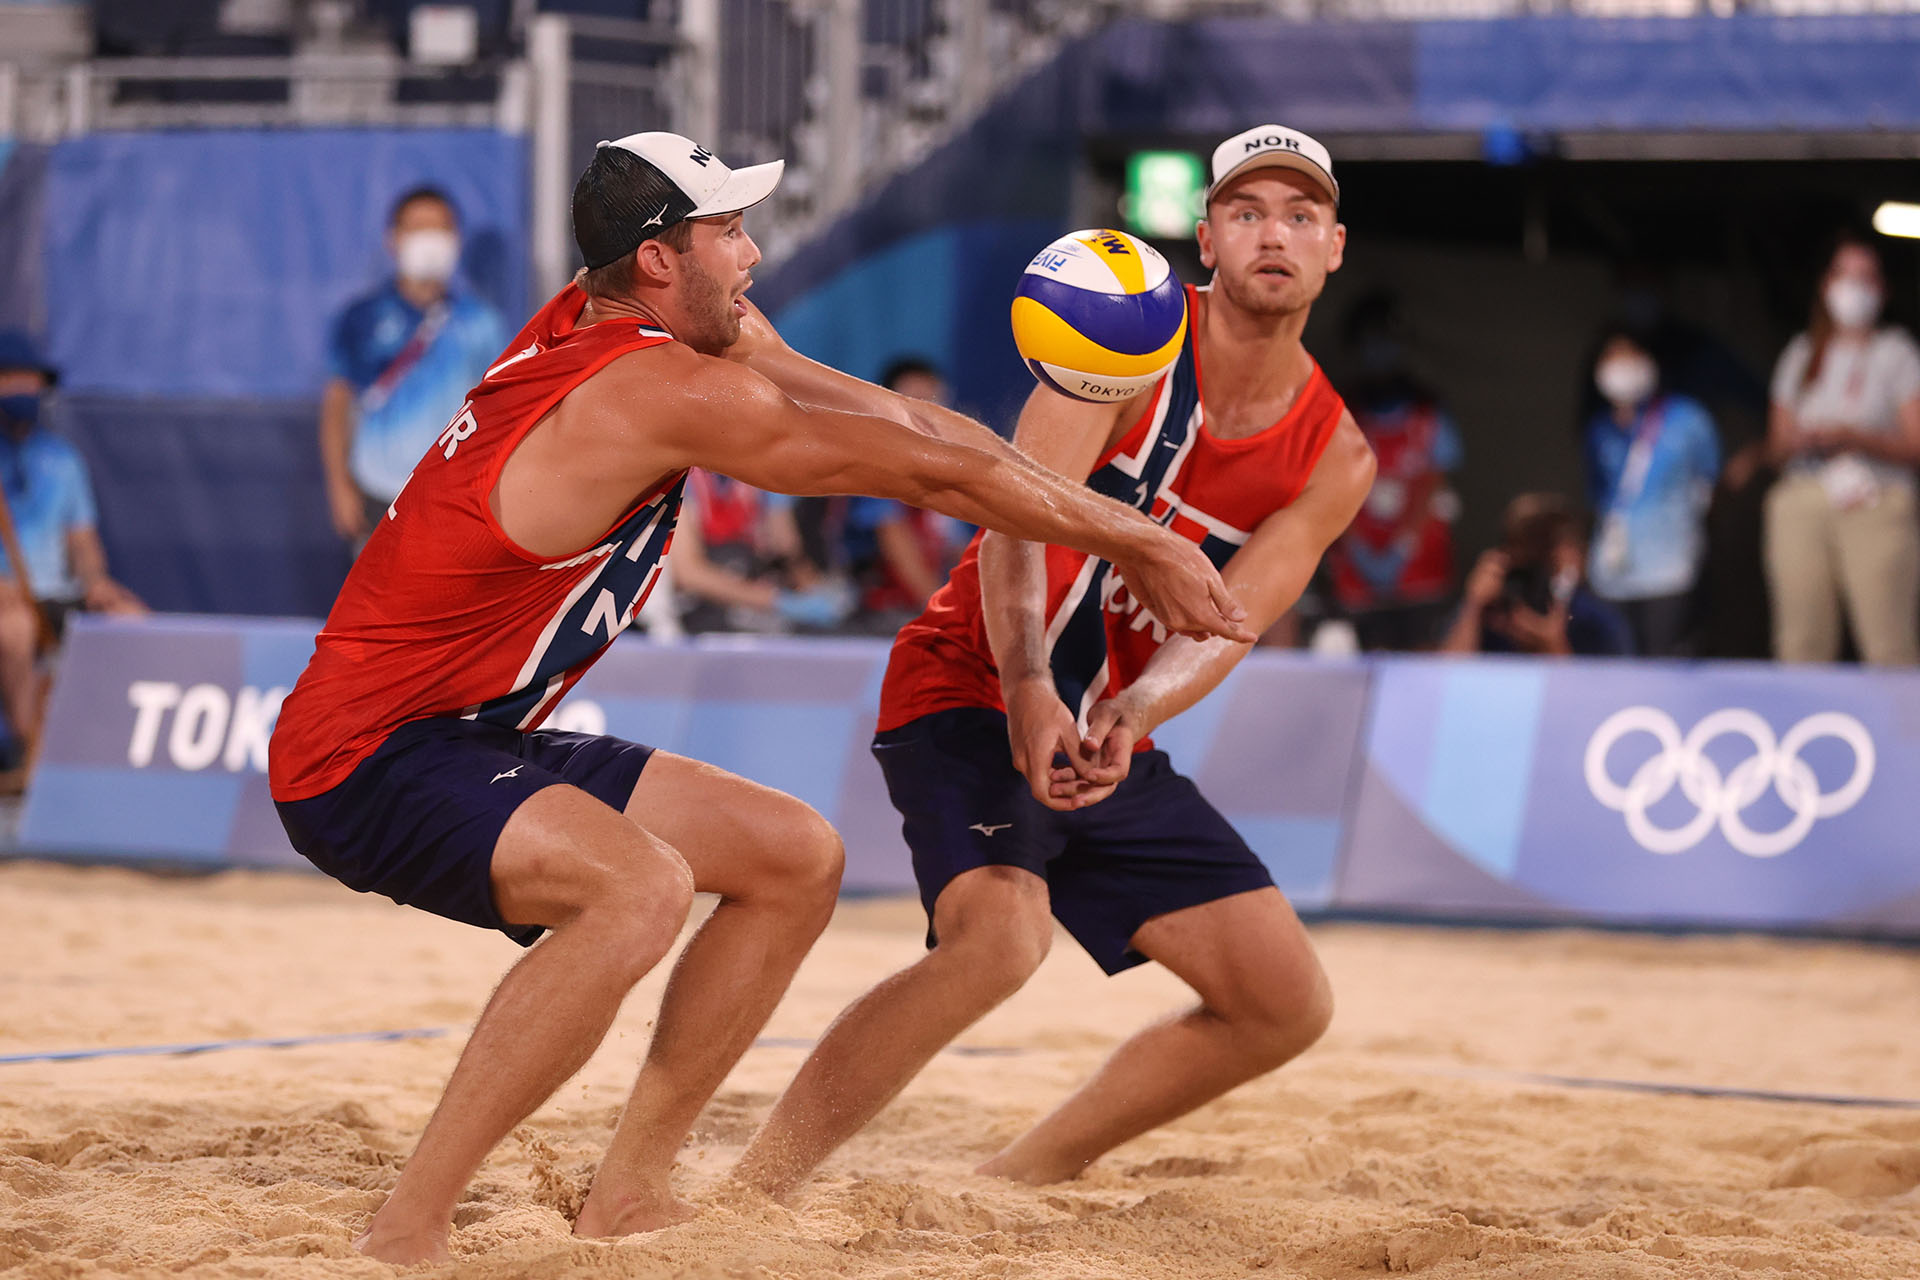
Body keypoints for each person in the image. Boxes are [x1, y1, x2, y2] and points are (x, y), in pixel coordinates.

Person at [265, 131, 1249, 1266]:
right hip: (361, 754)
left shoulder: (622, 319)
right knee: (638, 889)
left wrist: (1110, 523)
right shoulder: (654, 389)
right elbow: (923, 472)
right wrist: (1145, 540)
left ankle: (630, 1192)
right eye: (728, 231)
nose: (755, 253)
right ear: (657, 259)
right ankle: (408, 1227)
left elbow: (913, 428)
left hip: (465, 730)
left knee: (793, 855)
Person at [732, 123, 1375, 1198]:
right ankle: (757, 1189)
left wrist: (1135, 711)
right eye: (1248, 212)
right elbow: (1011, 523)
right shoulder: (1124, 334)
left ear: (1335, 247)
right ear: (1207, 237)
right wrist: (1029, 682)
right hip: (973, 674)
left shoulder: (1336, 454)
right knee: (998, 942)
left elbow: (1230, 620)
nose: (1276, 234)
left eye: (1301, 216)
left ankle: (1019, 1174)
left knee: (1283, 1002)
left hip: (1100, 726)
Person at [319, 185, 509, 547]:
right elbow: (338, 402)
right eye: (419, 228)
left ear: (456, 239)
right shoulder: (361, 318)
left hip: (452, 501)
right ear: (393, 239)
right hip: (376, 494)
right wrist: (339, 484)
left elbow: (499, 412)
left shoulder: (481, 323)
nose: (431, 239)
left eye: (441, 228)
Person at [1764, 232, 1920, 665]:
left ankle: (1901, 713)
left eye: (1865, 277)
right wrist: (1800, 441)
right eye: (1844, 275)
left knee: (1888, 644)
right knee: (1800, 644)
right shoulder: (1801, 352)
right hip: (1805, 494)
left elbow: (1916, 443)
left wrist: (1854, 437)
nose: (1854, 287)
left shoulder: (1897, 353)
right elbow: (1775, 447)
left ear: (1883, 290)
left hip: (1875, 497)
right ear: (1825, 284)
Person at [0, 332, 145, 753]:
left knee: (132, 620)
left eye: (29, 379)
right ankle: (33, 754)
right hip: (8, 603)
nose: (22, 388)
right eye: (10, 378)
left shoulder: (62, 460)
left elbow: (82, 542)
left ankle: (117, 750)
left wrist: (96, 581)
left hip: (53, 596)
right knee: (15, 629)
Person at [1325, 291, 1463, 650]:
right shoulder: (1340, 409)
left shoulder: (1428, 412)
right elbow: (1326, 486)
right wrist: (1358, 549)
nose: (1378, 352)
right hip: (1356, 574)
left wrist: (1401, 547)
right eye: (1369, 342)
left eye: (1385, 340)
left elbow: (1435, 481)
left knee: (1422, 664)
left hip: (1420, 574)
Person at [1581, 328, 1721, 657]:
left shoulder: (1687, 418)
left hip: (1670, 569)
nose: (1621, 365)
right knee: (1616, 662)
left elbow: (1710, 482)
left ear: (1648, 361)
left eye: (1629, 355)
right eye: (1612, 357)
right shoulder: (1598, 429)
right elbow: (1597, 496)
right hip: (1613, 570)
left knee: (1664, 661)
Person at [836, 357, 970, 629]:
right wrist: (948, 617)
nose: (926, 420)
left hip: (918, 610)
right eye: (915, 406)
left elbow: (960, 552)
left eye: (934, 406)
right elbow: (897, 544)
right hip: (870, 617)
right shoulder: (873, 469)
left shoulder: (942, 475)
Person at [1439, 493, 1633, 658]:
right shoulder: (1489, 611)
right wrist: (1473, 607)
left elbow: (1610, 688)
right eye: (1522, 545)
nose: (1535, 560)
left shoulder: (1595, 621)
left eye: (1546, 548)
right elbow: (1446, 678)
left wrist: (1553, 647)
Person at [668, 468, 848, 633]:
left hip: (748, 605)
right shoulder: (684, 480)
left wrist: (816, 590)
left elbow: (785, 545)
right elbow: (688, 573)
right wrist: (777, 602)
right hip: (695, 616)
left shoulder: (760, 475)